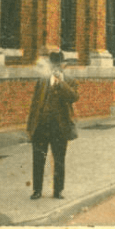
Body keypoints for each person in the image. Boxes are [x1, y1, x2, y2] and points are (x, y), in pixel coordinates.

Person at [26, 51, 79, 200]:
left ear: (63, 66)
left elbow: (74, 97)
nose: (56, 68)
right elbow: (35, 105)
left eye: (59, 65)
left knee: (59, 160)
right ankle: (37, 190)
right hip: (41, 127)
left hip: (60, 127)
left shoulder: (69, 80)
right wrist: (30, 127)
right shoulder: (42, 81)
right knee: (38, 160)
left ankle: (58, 191)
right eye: (53, 65)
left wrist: (60, 83)